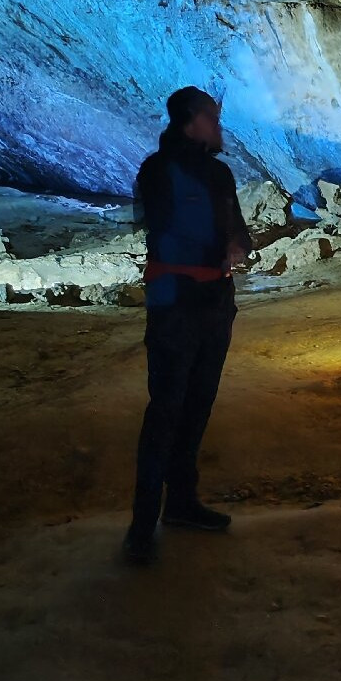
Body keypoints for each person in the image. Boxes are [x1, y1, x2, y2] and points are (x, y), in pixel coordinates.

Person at [123, 86, 252, 565]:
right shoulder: (157, 171)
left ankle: (180, 503)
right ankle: (141, 526)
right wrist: (211, 252)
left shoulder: (219, 173)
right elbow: (160, 229)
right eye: (213, 119)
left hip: (215, 301)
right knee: (166, 410)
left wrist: (237, 247)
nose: (219, 128)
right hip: (176, 304)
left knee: (197, 405)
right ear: (190, 123)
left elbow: (236, 227)